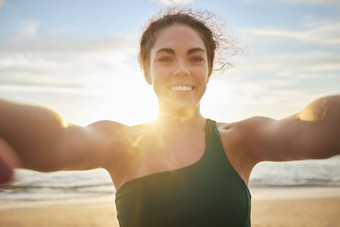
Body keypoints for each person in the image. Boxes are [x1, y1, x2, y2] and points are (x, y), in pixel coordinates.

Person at [0, 7, 339, 227]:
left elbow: (306, 131)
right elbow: (60, 139)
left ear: (208, 68)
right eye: (165, 58)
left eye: (195, 58)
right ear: (146, 70)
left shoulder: (240, 139)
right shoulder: (122, 145)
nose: (181, 69)